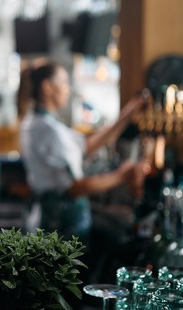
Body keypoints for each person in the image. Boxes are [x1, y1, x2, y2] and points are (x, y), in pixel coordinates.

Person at [18, 61, 148, 242]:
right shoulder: (48, 130)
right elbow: (75, 187)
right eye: (64, 82)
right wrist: (122, 175)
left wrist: (128, 112)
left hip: (48, 218)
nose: (68, 89)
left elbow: (87, 145)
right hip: (60, 224)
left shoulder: (36, 123)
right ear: (47, 87)